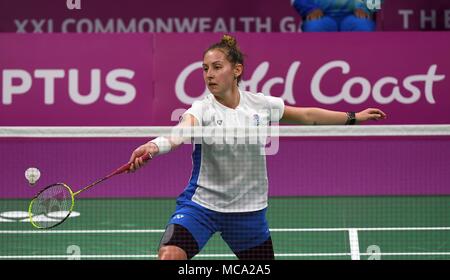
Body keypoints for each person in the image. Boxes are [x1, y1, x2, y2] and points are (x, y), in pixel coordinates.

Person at [128, 34, 387, 260]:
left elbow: (308, 115)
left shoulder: (261, 105)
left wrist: (352, 116)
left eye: (217, 67)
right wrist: (154, 146)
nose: (209, 74)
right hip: (202, 206)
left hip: (248, 211)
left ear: (237, 70)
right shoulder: (202, 108)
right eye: (205, 68)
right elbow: (179, 133)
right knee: (170, 255)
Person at [293, 0, 377, 32]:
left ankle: (362, 66)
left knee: (363, 27)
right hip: (321, 17)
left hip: (354, 17)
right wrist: (310, 9)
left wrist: (366, 9)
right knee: (315, 28)